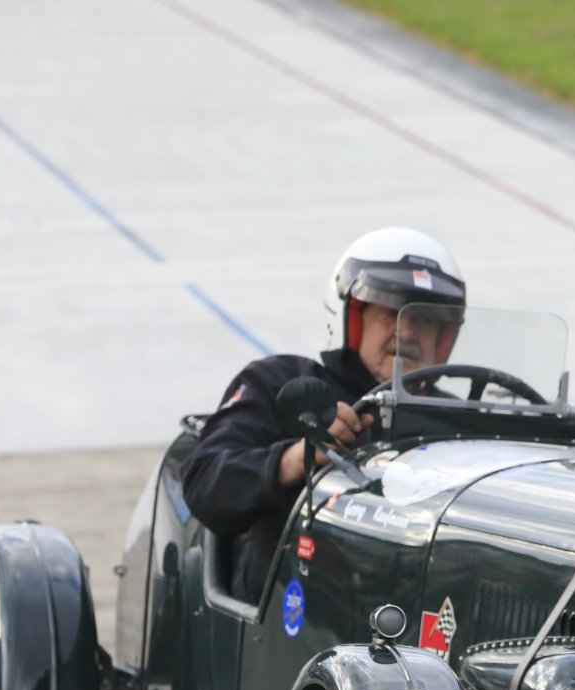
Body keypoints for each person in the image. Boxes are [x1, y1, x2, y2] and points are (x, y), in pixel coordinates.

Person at [181, 227, 466, 603]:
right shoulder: (283, 383)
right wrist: (295, 458)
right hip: (298, 610)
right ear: (353, 318)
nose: (408, 332)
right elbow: (204, 484)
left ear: (443, 337)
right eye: (390, 314)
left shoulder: (462, 422)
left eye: (425, 319)